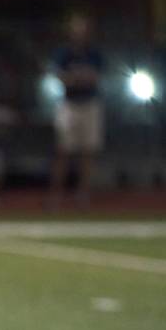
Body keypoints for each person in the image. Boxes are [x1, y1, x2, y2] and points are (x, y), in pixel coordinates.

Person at [49, 13, 105, 209]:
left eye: (83, 29)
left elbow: (95, 78)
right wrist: (76, 79)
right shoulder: (63, 53)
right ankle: (56, 195)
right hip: (69, 104)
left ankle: (83, 194)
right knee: (63, 151)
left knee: (87, 152)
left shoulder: (94, 53)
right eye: (76, 29)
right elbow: (60, 77)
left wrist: (76, 78)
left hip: (90, 104)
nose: (80, 33)